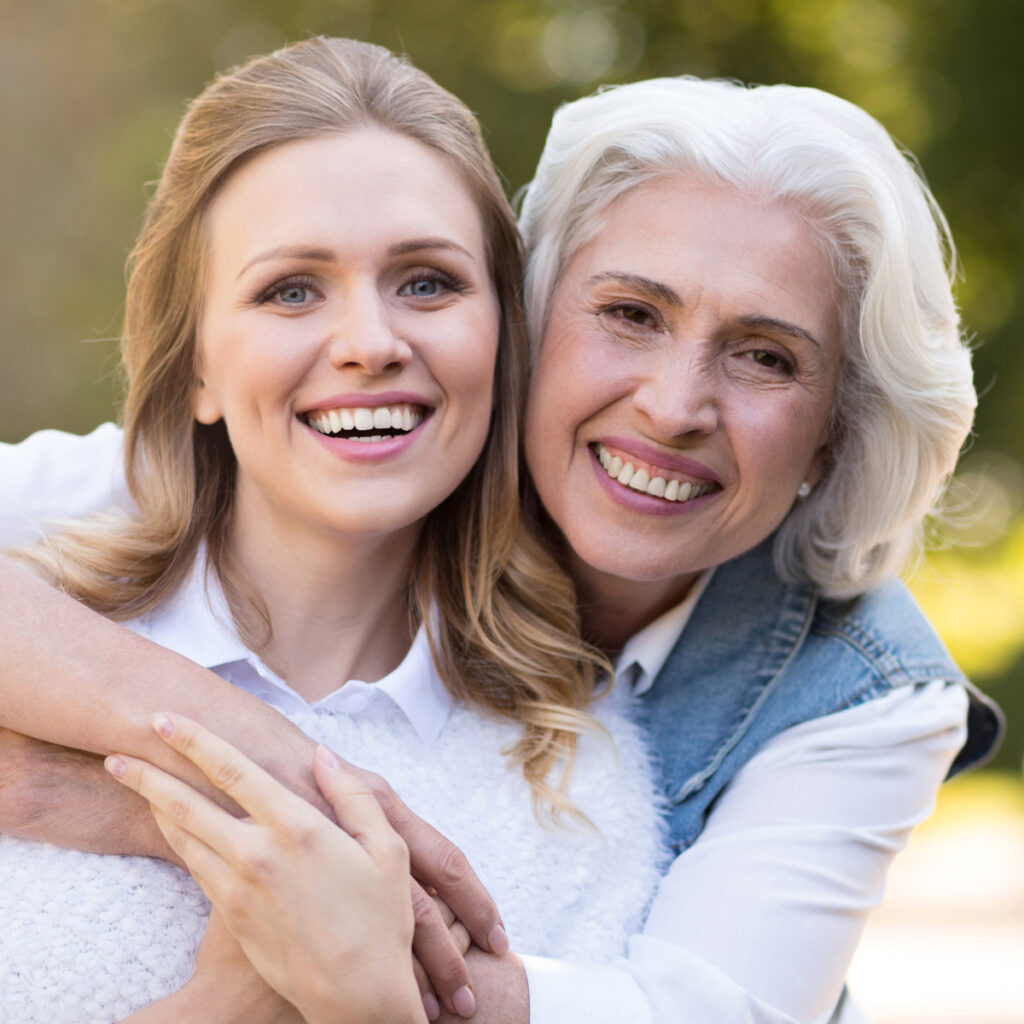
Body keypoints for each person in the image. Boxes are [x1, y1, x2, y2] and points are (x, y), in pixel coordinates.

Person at [0, 70, 1002, 1024]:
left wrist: (373, 948)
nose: (673, 405)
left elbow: (710, 1009)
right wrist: (266, 766)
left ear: (835, 429)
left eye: (764, 356)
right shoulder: (358, 452)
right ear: (530, 320)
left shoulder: (856, 694)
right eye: (629, 313)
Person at [0, 38, 668, 1024]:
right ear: (197, 370)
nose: (369, 343)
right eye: (291, 289)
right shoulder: (37, 637)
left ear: (502, 336)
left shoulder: (579, 787)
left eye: (428, 282)